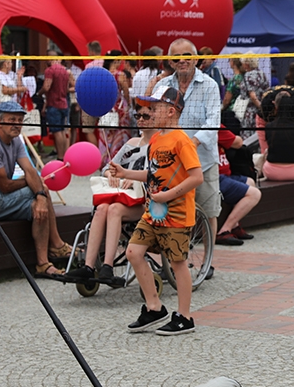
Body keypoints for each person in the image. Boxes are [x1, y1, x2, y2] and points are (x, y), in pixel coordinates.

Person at [111, 87, 202, 335]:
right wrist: (125, 173)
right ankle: (154, 307)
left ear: (171, 111)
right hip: (154, 212)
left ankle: (185, 317)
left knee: (177, 262)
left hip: (177, 214)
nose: (149, 112)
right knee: (133, 251)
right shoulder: (155, 140)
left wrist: (168, 195)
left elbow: (196, 177)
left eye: (155, 108)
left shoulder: (181, 140)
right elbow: (152, 173)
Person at [0, 101, 72, 279]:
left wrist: (38, 195)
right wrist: (35, 188)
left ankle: (43, 264)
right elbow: (6, 186)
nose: (16, 124)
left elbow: (30, 170)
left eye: (20, 120)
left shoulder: (15, 141)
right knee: (43, 190)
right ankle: (57, 245)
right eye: (11, 120)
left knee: (38, 204)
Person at [63, 100, 159, 284]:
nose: (141, 120)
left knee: (114, 209)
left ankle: (108, 266)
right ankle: (88, 267)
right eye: (138, 116)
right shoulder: (132, 143)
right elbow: (108, 166)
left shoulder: (161, 145)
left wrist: (133, 175)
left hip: (147, 201)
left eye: (146, 116)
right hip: (124, 196)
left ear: (156, 117)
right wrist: (111, 174)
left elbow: (160, 174)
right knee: (102, 208)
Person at [154, 39, 223, 250]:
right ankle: (175, 258)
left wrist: (189, 143)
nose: (182, 60)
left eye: (187, 56)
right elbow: (153, 120)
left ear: (196, 58)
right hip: (170, 163)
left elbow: (213, 121)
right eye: (176, 57)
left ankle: (208, 259)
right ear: (170, 62)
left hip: (202, 162)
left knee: (209, 212)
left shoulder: (210, 85)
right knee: (172, 213)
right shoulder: (161, 86)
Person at [215, 125, 262, 246]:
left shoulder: (216, 126)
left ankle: (235, 226)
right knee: (255, 194)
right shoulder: (212, 126)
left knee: (250, 182)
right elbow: (238, 142)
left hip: (226, 176)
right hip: (216, 178)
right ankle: (224, 231)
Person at [42, 52, 72, 160]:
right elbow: (70, 87)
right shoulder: (65, 71)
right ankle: (64, 156)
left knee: (57, 131)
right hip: (64, 103)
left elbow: (46, 87)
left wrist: (39, 93)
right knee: (63, 131)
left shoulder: (50, 70)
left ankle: (60, 156)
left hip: (54, 104)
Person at [80, 41, 104, 145]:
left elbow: (85, 85)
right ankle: (103, 154)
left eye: (88, 51)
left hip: (90, 101)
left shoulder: (89, 66)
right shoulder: (106, 63)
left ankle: (97, 154)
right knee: (104, 130)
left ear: (92, 51)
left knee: (88, 130)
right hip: (104, 100)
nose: (88, 54)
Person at [239, 57, 269, 138]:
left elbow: (252, 96)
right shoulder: (262, 73)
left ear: (247, 64)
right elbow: (266, 92)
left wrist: (260, 107)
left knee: (248, 137)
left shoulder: (248, 75)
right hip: (260, 111)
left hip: (251, 111)